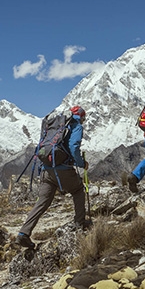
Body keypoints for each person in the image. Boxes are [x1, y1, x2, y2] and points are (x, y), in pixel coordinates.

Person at [15, 106, 89, 249]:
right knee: (78, 190)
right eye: (84, 118)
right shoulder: (76, 125)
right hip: (63, 170)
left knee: (42, 201)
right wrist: (81, 163)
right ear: (81, 116)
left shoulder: (54, 125)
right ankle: (79, 224)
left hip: (46, 169)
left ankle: (23, 233)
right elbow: (74, 147)